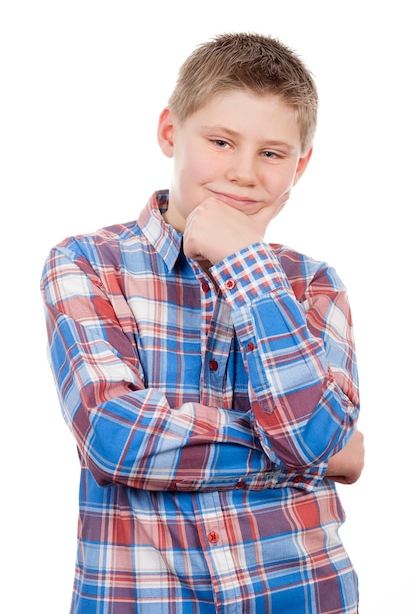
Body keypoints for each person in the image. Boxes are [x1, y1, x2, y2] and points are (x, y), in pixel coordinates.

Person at [40, 32, 364, 614]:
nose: (243, 173)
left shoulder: (314, 286)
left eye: (271, 153)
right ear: (171, 132)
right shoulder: (87, 263)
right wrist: (319, 456)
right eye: (220, 141)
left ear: (301, 165)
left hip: (303, 594)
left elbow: (313, 432)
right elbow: (115, 440)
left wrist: (248, 267)